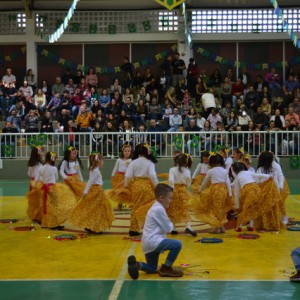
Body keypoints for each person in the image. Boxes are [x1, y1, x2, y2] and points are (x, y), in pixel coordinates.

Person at [127, 183, 183, 280]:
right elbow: (168, 228)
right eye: (169, 198)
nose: (171, 201)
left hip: (148, 244)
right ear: (161, 198)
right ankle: (166, 268)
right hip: (154, 242)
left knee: (152, 268)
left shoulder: (155, 207)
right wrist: (173, 221)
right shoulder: (158, 210)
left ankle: (136, 265)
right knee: (177, 244)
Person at [27, 151, 77, 229]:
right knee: (54, 207)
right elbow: (56, 178)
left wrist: (35, 188)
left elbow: (36, 180)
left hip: (44, 189)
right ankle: (54, 223)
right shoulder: (54, 168)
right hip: (53, 189)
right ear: (52, 159)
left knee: (46, 207)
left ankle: (46, 222)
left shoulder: (41, 168)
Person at [69, 153, 114, 233]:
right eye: (102, 161)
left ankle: (92, 226)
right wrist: (85, 191)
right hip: (96, 191)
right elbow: (90, 181)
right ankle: (95, 227)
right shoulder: (95, 171)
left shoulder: (94, 169)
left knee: (94, 209)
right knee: (98, 209)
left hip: (96, 189)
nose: (103, 163)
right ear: (98, 161)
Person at [231, 162, 280, 232]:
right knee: (252, 209)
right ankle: (251, 226)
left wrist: (237, 205)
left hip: (249, 193)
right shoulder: (248, 172)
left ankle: (239, 226)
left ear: (234, 171)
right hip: (257, 190)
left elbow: (236, 193)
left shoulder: (237, 178)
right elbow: (259, 175)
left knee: (244, 209)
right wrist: (268, 176)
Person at [191, 153, 233, 234]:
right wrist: (230, 193)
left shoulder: (210, 171)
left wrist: (199, 190)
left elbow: (204, 182)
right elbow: (227, 182)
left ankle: (216, 228)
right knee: (222, 209)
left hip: (215, 191)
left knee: (215, 209)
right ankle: (221, 227)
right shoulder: (224, 170)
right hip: (224, 190)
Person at [124, 143, 158, 236]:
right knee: (148, 207)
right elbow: (152, 175)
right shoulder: (150, 162)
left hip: (136, 186)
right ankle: (149, 228)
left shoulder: (133, 162)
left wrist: (126, 185)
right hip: (147, 186)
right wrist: (157, 186)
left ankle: (133, 228)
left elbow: (128, 176)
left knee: (136, 206)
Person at [167, 153, 197, 237]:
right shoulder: (187, 171)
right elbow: (188, 183)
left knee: (173, 209)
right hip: (183, 191)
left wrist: (171, 190)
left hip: (174, 190)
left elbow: (171, 181)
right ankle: (188, 226)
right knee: (185, 209)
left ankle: (173, 228)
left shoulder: (172, 169)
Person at [111, 144, 132, 210]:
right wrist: (113, 175)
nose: (127, 152)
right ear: (122, 152)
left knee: (127, 191)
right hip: (120, 178)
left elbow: (132, 169)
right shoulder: (119, 160)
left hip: (127, 178)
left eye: (128, 151)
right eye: (125, 151)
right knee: (120, 191)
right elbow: (115, 168)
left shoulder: (131, 160)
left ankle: (130, 203)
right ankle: (120, 204)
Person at [27, 146, 43, 223]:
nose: (41, 153)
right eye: (40, 151)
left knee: (33, 200)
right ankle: (38, 216)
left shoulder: (31, 163)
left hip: (32, 182)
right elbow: (40, 175)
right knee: (39, 200)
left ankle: (34, 215)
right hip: (38, 183)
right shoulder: (40, 164)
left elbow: (29, 173)